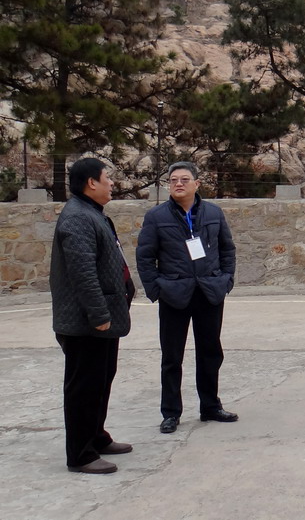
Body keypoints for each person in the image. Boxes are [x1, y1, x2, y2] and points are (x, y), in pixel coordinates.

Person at [136, 161, 238, 434]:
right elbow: (145, 257)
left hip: (209, 292)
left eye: (184, 179)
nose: (178, 184)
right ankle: (171, 413)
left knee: (210, 352)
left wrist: (225, 280)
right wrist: (156, 289)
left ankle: (210, 406)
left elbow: (227, 249)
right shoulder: (156, 217)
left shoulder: (214, 213)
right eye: (173, 180)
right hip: (174, 294)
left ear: (197, 184)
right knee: (172, 357)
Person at [51, 158, 135, 474]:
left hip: (102, 319)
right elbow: (83, 273)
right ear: (91, 183)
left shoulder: (92, 213)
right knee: (84, 387)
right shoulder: (77, 218)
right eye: (106, 177)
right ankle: (81, 455)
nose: (111, 183)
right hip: (86, 323)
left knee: (100, 381)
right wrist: (99, 314)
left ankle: (96, 437)